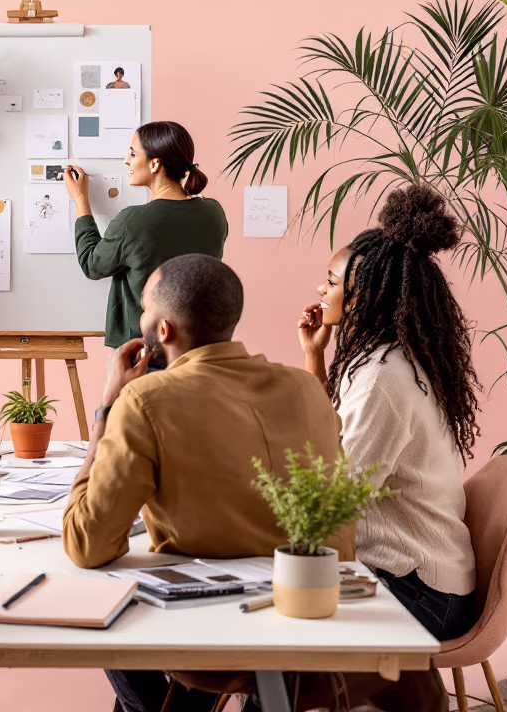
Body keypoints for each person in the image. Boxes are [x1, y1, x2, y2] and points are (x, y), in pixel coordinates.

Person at [63, 253, 444, 712]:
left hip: (220, 638)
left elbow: (88, 543)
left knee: (112, 621)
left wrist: (107, 406)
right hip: (322, 630)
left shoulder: (144, 400)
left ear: (163, 330)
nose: (141, 317)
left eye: (145, 308)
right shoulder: (304, 388)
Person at [297, 184, 480, 642]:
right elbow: (335, 442)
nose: (321, 288)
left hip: (421, 592)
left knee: (276, 614)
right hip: (419, 577)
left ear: (367, 294)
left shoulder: (383, 377)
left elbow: (337, 499)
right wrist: (314, 358)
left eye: (333, 281)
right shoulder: (386, 360)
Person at [65, 121, 227, 348]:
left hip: (143, 352)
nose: (126, 160)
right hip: (197, 348)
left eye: (132, 153)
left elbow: (92, 264)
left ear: (155, 164)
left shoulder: (133, 221)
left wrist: (80, 199)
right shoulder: (214, 212)